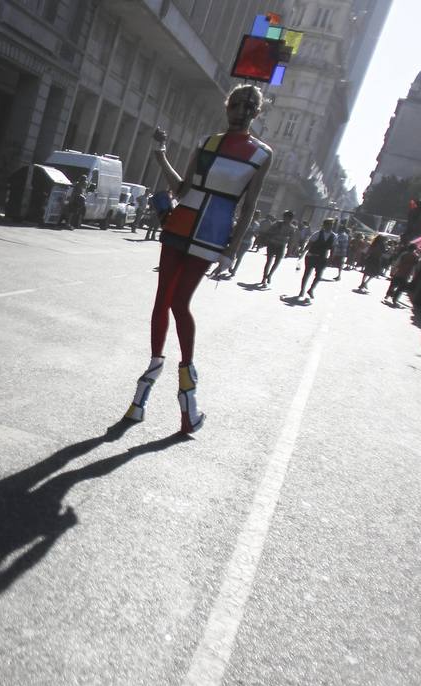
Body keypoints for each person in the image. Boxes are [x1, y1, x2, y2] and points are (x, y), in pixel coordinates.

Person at [123, 85, 272, 434]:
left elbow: (248, 206)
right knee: (162, 300)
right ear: (227, 106)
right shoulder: (208, 142)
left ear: (257, 113)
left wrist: (232, 250)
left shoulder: (262, 154)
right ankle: (147, 392)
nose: (241, 110)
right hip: (182, 222)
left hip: (212, 232)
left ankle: (186, 395)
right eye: (236, 104)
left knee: (179, 303)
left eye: (249, 106)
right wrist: (160, 154)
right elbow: (182, 189)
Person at [294, 218, 336, 301]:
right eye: (328, 224)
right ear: (324, 225)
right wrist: (302, 254)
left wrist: (331, 259)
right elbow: (309, 244)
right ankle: (302, 290)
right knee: (307, 274)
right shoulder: (317, 234)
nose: (329, 226)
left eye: (331, 225)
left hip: (322, 258)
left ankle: (311, 289)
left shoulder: (333, 236)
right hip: (311, 256)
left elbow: (333, 249)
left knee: (319, 276)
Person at [256, 210, 294, 288]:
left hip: (281, 246)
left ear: (291, 219)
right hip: (272, 244)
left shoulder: (292, 228)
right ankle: (264, 277)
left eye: (288, 218)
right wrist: (274, 234)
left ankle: (269, 275)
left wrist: (289, 251)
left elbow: (291, 240)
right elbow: (269, 231)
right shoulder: (277, 224)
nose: (286, 219)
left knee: (277, 262)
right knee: (268, 261)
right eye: (285, 217)